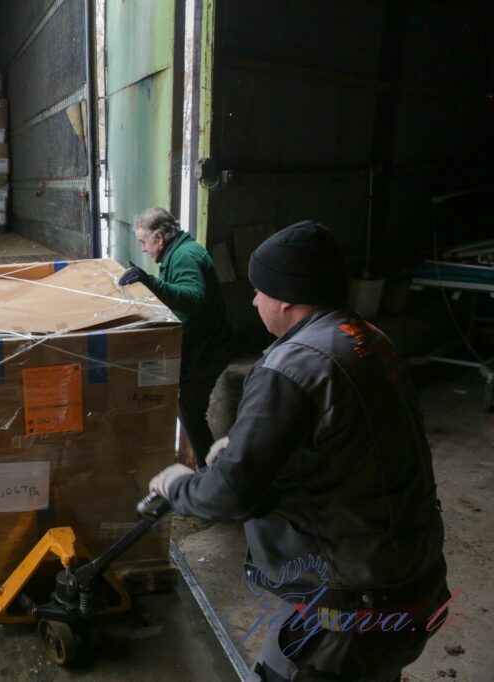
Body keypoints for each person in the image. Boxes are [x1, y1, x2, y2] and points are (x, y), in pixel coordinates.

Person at [148, 221, 449, 681]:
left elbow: (231, 495)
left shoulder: (292, 366)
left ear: (286, 298)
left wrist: (179, 486)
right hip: (417, 580)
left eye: (259, 291)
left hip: (355, 607)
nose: (254, 302)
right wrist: (255, 445)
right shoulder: (367, 338)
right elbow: (353, 440)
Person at [119, 207, 232, 466]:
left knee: (191, 413)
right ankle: (209, 470)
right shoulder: (178, 253)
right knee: (187, 410)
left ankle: (213, 474)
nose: (143, 249)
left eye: (143, 242)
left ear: (159, 238)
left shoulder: (184, 256)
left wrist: (151, 282)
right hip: (201, 345)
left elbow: (192, 297)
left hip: (208, 350)